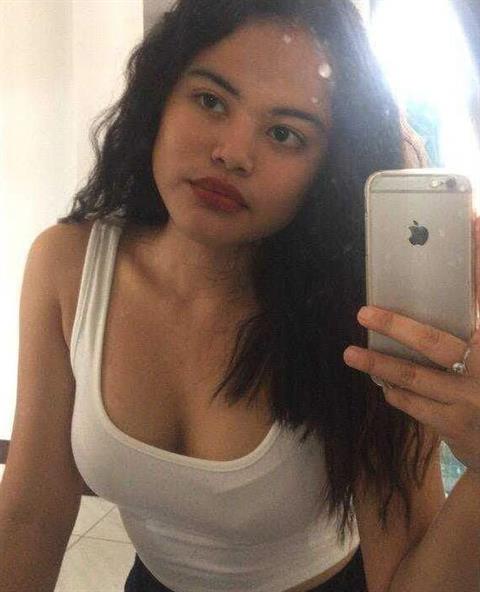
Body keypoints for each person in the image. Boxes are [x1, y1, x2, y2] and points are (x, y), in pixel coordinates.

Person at [6, 1, 479, 591]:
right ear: (160, 96)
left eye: (284, 133)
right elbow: (31, 513)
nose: (232, 152)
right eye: (210, 100)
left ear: (327, 168)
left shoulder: (365, 316)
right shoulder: (67, 265)